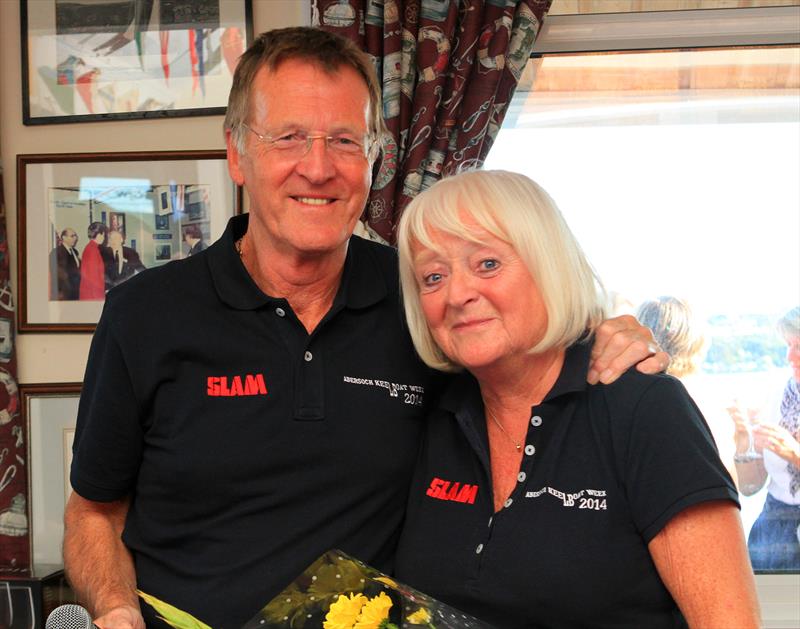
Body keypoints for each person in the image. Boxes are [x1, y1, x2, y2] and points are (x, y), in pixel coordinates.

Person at [63, 28, 667, 629]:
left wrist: (602, 337)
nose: (319, 167)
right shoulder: (145, 314)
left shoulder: (424, 299)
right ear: (237, 152)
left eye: (345, 140)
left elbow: (525, 351)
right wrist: (117, 611)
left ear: (374, 158)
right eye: (290, 137)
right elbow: (93, 515)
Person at [393, 170, 760, 628]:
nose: (457, 294)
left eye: (487, 264)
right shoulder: (429, 413)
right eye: (433, 276)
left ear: (550, 267)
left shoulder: (643, 407)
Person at [729, 306, 800, 570]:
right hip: (771, 540)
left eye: (798, 346)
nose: (789, 356)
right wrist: (743, 440)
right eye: (788, 345)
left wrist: (794, 453)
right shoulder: (777, 396)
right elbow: (750, 488)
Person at [49, 227, 82, 300]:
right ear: (64, 237)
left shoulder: (75, 252)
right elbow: (60, 275)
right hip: (65, 294)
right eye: (72, 236)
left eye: (75, 236)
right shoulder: (57, 253)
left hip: (75, 293)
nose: (75, 238)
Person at [79, 222, 108, 300]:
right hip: (92, 296)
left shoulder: (91, 248)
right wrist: (99, 300)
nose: (104, 238)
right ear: (99, 234)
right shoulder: (92, 251)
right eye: (104, 235)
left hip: (90, 295)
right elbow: (94, 279)